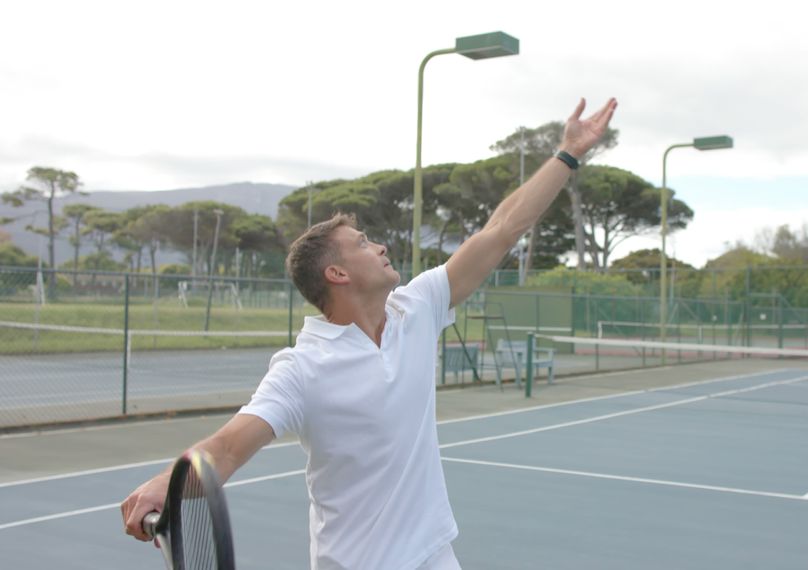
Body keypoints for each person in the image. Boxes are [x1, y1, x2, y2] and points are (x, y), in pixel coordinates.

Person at [121, 98, 618, 569]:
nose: (379, 245)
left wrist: (568, 153)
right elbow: (228, 449)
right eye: (361, 243)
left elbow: (503, 228)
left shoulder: (418, 307)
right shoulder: (301, 369)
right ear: (337, 274)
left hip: (432, 553)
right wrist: (169, 480)